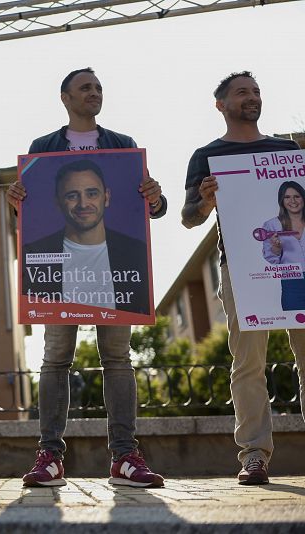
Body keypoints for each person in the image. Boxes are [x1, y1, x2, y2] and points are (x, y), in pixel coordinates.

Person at [8, 68, 166, 488]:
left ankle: (125, 457)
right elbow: (29, 210)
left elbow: (149, 209)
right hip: (58, 268)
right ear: (65, 97)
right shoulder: (43, 148)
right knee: (55, 357)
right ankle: (50, 457)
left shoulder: (123, 145)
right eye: (85, 87)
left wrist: (155, 198)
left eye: (98, 87)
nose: (94, 92)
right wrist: (15, 200)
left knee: (117, 358)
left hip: (116, 269)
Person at [182, 71, 305, 485]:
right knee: (248, 362)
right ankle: (254, 455)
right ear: (221, 105)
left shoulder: (287, 150)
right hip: (241, 270)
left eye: (256, 91)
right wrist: (205, 202)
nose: (251, 97)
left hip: (300, 268)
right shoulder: (207, 156)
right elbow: (188, 218)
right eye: (241, 92)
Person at [22, 158, 150, 314]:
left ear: (106, 197)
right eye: (72, 196)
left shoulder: (136, 252)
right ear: (58, 202)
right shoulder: (34, 253)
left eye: (92, 194)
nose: (83, 204)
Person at [261, 181, 305, 311]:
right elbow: (271, 258)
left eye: (297, 196)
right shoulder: (271, 225)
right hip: (292, 282)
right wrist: (276, 248)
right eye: (287, 197)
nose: (293, 201)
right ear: (282, 200)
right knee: (296, 321)